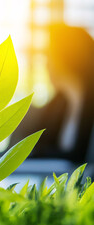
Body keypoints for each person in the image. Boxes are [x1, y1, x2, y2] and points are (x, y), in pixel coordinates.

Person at [12, 25, 94, 163]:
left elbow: (80, 157)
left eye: (49, 55)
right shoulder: (59, 103)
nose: (46, 64)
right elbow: (39, 147)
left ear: (67, 56)